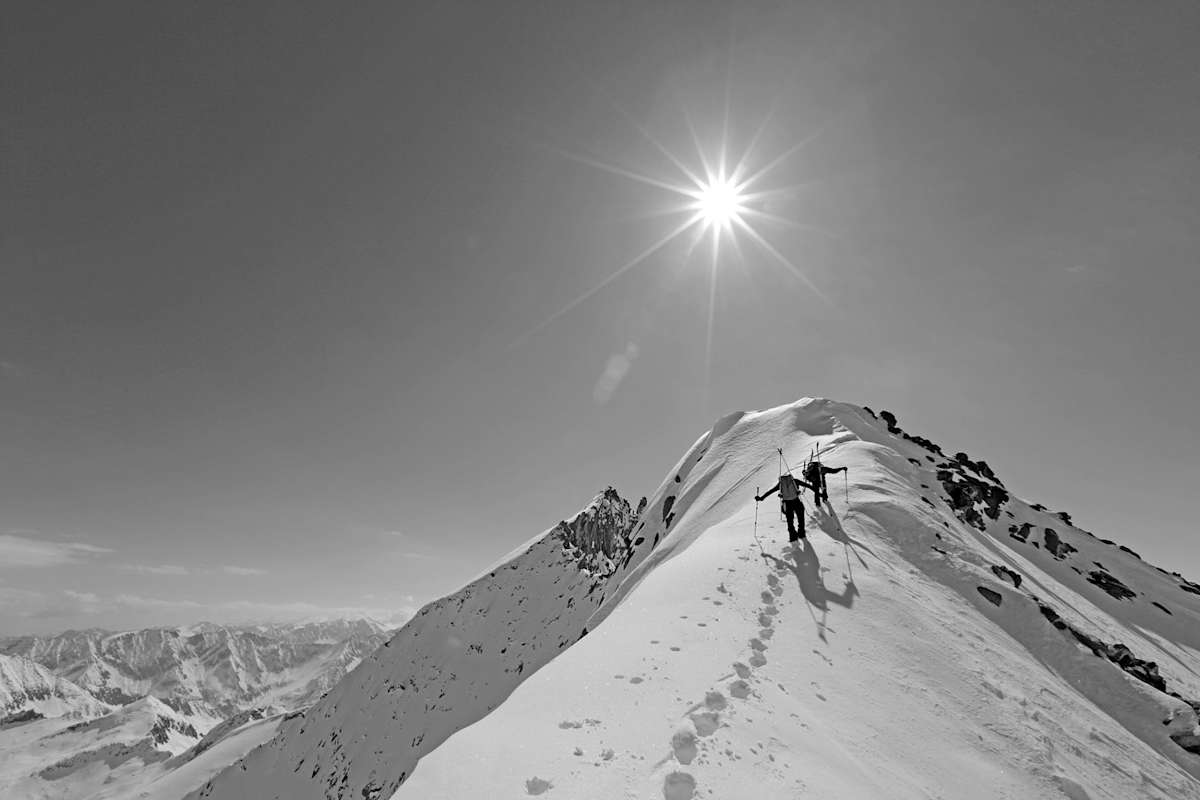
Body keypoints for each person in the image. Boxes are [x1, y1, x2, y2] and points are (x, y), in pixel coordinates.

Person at [757, 472, 814, 543]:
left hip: (787, 504)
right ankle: (801, 534)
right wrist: (818, 491)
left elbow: (770, 491)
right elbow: (808, 485)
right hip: (796, 501)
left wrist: (761, 498)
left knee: (790, 521)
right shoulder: (794, 481)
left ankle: (793, 537)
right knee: (801, 518)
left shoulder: (781, 484)